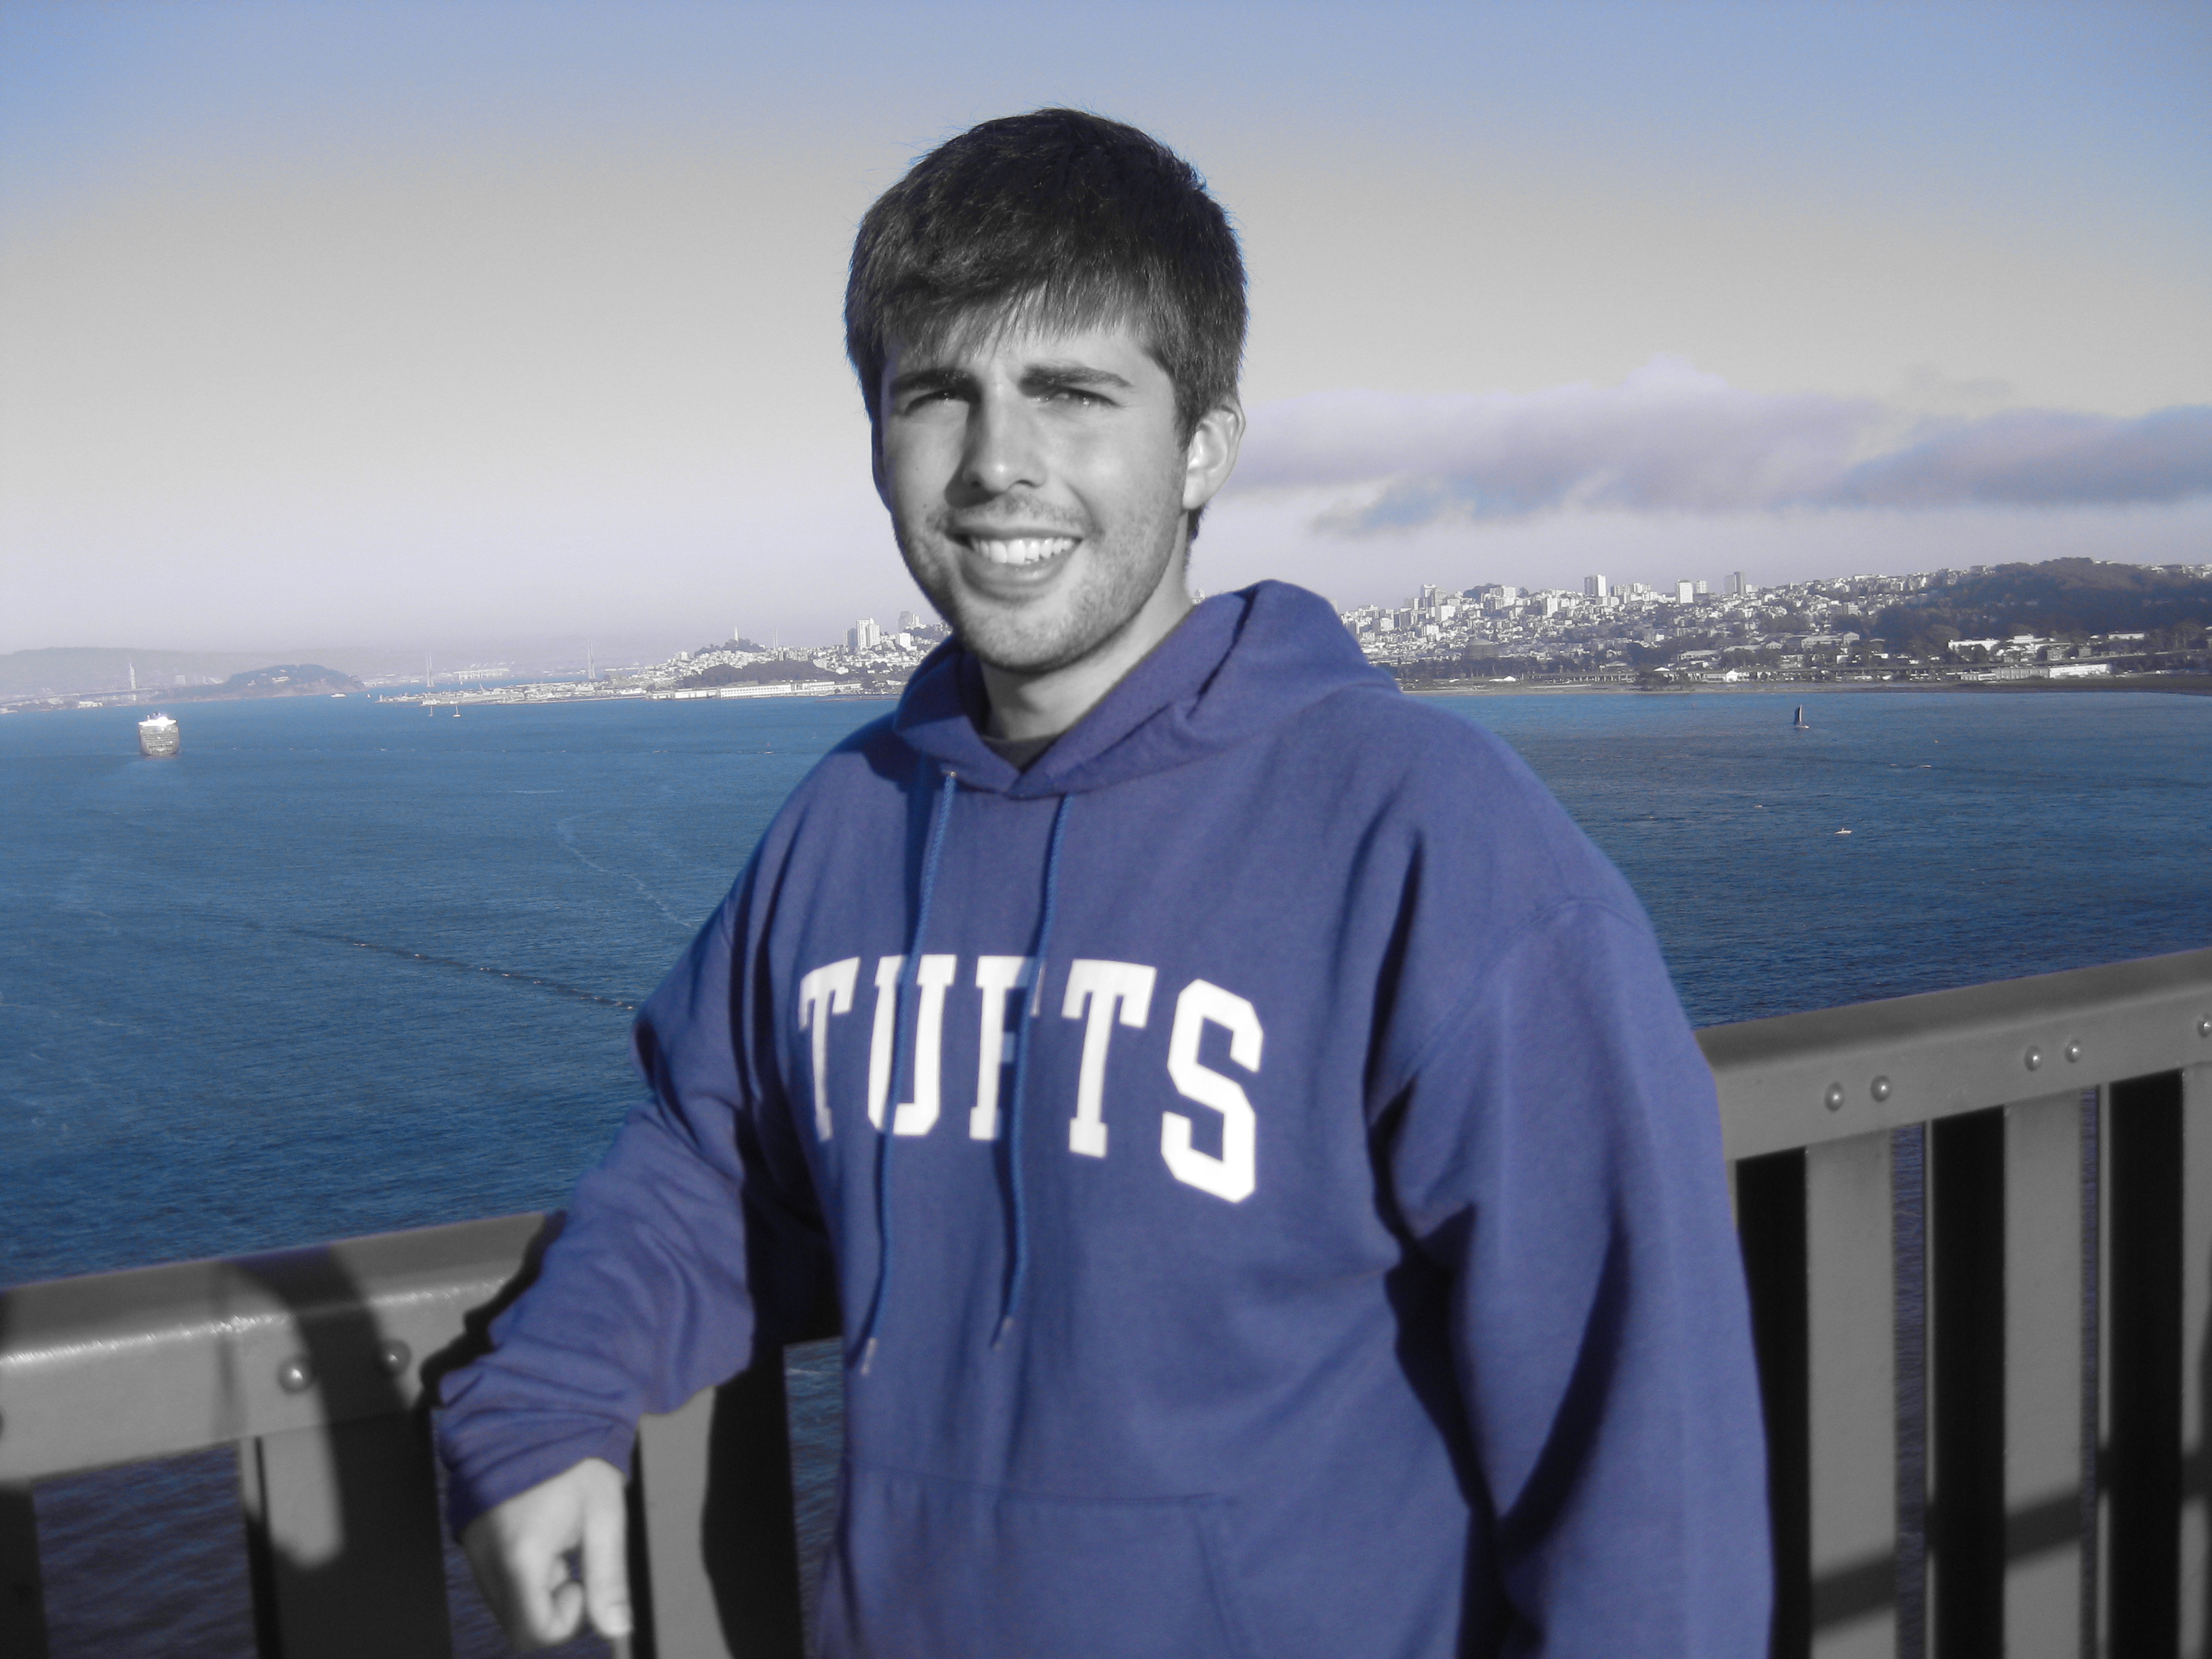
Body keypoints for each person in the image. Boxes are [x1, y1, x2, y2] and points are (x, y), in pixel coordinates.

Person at [438, 108, 1771, 1657]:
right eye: (939, 395)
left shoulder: (1429, 838)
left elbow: (1640, 1450)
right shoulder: (848, 821)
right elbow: (714, 1159)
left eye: (1072, 394)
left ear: (1203, 442)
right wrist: (549, 1402)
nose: (997, 465)